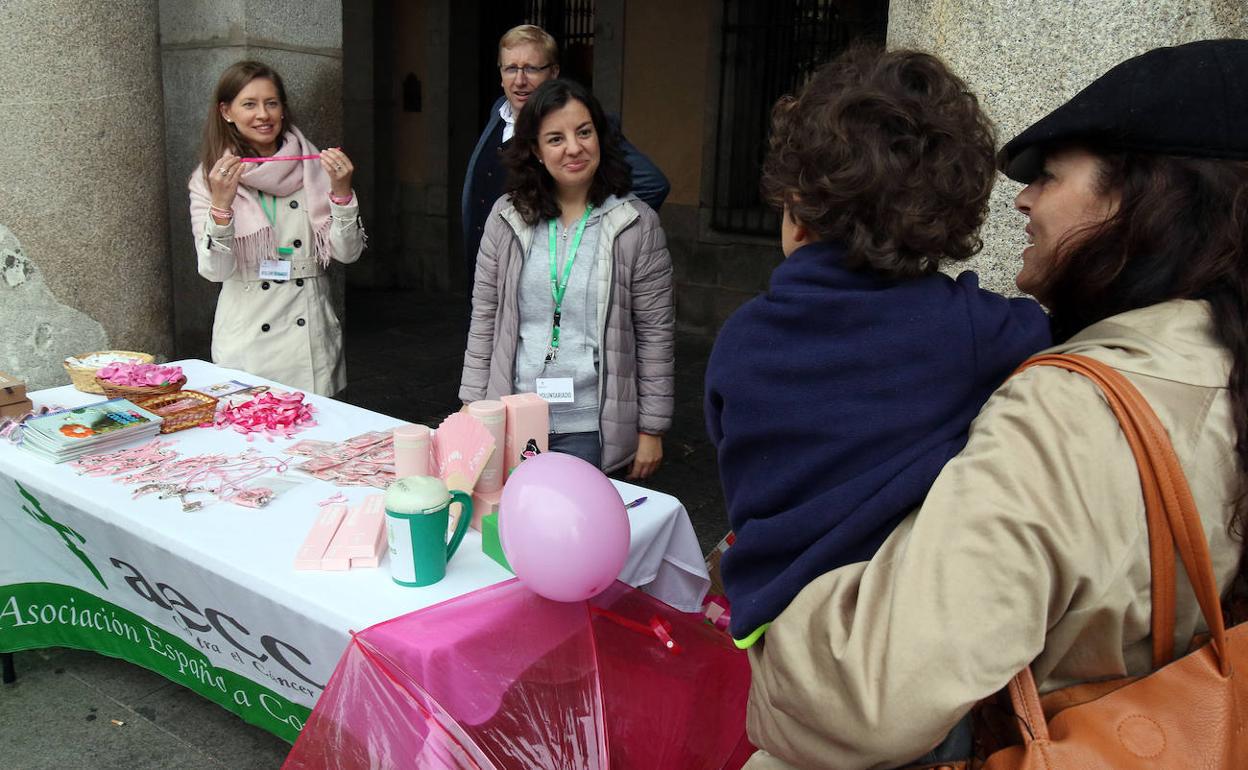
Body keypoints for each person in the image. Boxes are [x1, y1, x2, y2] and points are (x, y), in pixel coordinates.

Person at [741, 39, 1248, 769]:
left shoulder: (1066, 411)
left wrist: (777, 640)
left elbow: (867, 701)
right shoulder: (1216, 363)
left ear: (1145, 193)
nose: (1021, 197)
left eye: (1047, 174)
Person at [705, 47, 1051, 649]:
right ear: (945, 215)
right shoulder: (969, 327)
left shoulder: (741, 339)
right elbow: (1060, 335)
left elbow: (730, 443)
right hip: (894, 632)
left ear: (798, 215)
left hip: (768, 618)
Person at [459, 79, 674, 479]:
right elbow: (485, 316)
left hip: (590, 426)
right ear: (536, 151)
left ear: (600, 137)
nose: (573, 148)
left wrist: (652, 427)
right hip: (513, 415)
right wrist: (473, 403)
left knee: (573, 533)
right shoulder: (507, 218)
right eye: (555, 138)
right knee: (511, 530)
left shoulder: (636, 224)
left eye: (584, 132)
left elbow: (654, 333)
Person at [189, 61, 365, 397]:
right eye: (249, 104)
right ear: (226, 111)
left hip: (309, 334)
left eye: (271, 103)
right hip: (249, 339)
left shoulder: (317, 167)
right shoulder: (211, 177)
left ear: (283, 109)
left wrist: (342, 192)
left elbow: (348, 253)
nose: (263, 115)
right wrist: (221, 206)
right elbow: (214, 271)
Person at [461, 24, 670, 282]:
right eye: (511, 68)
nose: (520, 80)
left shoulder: (581, 127)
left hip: (538, 282)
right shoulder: (498, 112)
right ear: (501, 73)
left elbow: (653, 185)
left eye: (532, 68)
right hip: (484, 274)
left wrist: (586, 230)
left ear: (554, 73)